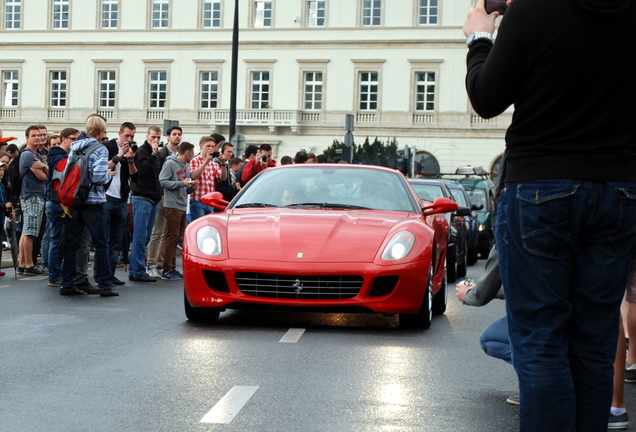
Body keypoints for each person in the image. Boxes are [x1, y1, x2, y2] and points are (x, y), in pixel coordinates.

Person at [464, 0, 636, 430]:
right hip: (619, 189)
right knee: (594, 347)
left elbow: (487, 97)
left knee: (541, 342)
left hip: (541, 186)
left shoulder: (535, 8)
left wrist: (480, 37)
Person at [59, 116, 118, 296]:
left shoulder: (74, 149)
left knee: (72, 243)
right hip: (93, 201)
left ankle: (67, 283)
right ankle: (105, 284)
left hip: (76, 200)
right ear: (100, 131)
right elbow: (99, 177)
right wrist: (109, 175)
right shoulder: (100, 150)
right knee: (101, 243)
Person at [455, 246, 517, 405]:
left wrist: (469, 294)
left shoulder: (508, 228)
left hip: (536, 317)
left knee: (489, 339)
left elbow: (485, 293)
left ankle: (534, 381)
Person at [102, 122, 138, 285]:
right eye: (126, 136)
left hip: (121, 198)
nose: (129, 139)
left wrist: (130, 160)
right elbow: (104, 167)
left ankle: (109, 273)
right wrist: (120, 154)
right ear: (119, 133)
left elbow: (134, 176)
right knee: (105, 238)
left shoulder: (131, 150)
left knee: (116, 239)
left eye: (132, 136)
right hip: (107, 196)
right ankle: (100, 274)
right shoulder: (108, 146)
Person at [45, 128, 79, 287]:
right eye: (73, 139)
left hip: (62, 201)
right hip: (56, 202)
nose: (75, 142)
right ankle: (54, 275)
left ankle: (60, 273)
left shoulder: (62, 154)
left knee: (62, 240)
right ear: (64, 138)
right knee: (57, 240)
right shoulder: (55, 153)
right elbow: (61, 172)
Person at [145, 126, 181, 278]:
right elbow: (159, 175)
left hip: (173, 196)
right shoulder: (162, 153)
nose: (177, 137)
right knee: (158, 230)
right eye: (174, 134)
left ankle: (159, 263)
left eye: (179, 134)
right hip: (161, 194)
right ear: (168, 137)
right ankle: (151, 263)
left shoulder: (178, 153)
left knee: (167, 232)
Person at [158, 141, 198, 280]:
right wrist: (182, 183)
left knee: (177, 237)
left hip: (181, 204)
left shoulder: (185, 166)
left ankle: (172, 267)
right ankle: (167, 268)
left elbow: (185, 189)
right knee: (171, 237)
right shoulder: (170, 163)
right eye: (191, 154)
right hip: (172, 205)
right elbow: (162, 181)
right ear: (187, 152)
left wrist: (192, 187)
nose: (192, 157)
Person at [128, 126, 162, 282]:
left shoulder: (152, 154)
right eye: (153, 137)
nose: (156, 140)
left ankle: (138, 268)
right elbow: (141, 171)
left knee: (146, 236)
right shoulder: (142, 151)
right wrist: (154, 155)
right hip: (142, 197)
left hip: (152, 197)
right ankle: (137, 270)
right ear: (147, 136)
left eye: (158, 138)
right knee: (140, 236)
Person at [17, 125, 47, 275]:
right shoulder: (29, 155)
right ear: (27, 138)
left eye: (39, 135)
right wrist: (44, 167)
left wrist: (43, 166)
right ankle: (28, 264)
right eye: (34, 135)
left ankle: (23, 263)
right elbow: (43, 176)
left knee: (26, 230)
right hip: (32, 195)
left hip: (32, 195)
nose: (37, 137)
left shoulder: (38, 155)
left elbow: (44, 171)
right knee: (30, 231)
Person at [188, 135, 227, 220]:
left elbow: (222, 178)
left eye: (212, 146)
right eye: (208, 146)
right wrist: (206, 161)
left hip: (210, 201)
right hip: (198, 200)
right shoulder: (194, 160)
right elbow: (194, 176)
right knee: (199, 226)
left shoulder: (214, 164)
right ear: (201, 146)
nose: (210, 148)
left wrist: (223, 164)